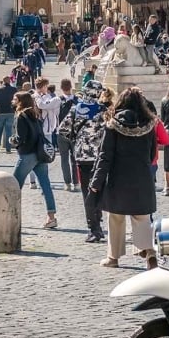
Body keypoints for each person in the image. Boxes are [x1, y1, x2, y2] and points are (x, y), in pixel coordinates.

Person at [89, 86, 158, 269]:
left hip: (118, 177)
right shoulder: (149, 125)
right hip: (142, 176)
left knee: (116, 218)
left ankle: (113, 257)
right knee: (142, 217)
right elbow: (152, 154)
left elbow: (105, 156)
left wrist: (96, 181)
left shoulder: (113, 125)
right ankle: (149, 252)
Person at [60, 88, 111, 243]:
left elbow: (63, 129)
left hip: (82, 157)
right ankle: (99, 220)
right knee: (99, 188)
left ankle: (93, 228)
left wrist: (77, 138)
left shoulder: (76, 109)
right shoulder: (103, 110)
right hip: (100, 157)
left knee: (86, 192)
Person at [13, 92, 58, 230]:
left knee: (13, 185)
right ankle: (51, 217)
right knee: (45, 185)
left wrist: (12, 141)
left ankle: (10, 214)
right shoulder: (35, 114)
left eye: (15, 98)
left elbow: (21, 137)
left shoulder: (21, 116)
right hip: (40, 154)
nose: (13, 100)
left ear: (20, 101)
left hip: (27, 154)